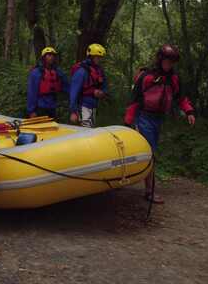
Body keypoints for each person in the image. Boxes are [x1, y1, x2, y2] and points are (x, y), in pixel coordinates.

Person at [123, 44, 195, 204]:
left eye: (172, 61)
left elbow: (181, 98)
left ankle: (130, 179)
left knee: (145, 152)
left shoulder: (174, 79)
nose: (169, 64)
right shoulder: (147, 76)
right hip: (144, 117)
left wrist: (189, 111)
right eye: (167, 60)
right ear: (160, 59)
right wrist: (128, 121)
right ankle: (149, 191)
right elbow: (134, 100)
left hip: (159, 119)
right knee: (149, 153)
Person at [69, 43, 108, 127]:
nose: (99, 59)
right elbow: (73, 93)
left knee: (90, 131)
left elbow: (104, 87)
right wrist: (73, 111)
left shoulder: (99, 71)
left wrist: (102, 93)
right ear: (91, 57)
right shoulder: (81, 72)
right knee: (85, 133)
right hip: (83, 106)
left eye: (100, 57)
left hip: (93, 106)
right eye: (97, 57)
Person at [26, 47, 69, 119]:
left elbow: (67, 86)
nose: (51, 57)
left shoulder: (58, 72)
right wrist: (31, 111)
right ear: (43, 57)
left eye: (53, 55)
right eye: (49, 55)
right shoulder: (36, 72)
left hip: (53, 107)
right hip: (40, 107)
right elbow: (32, 92)